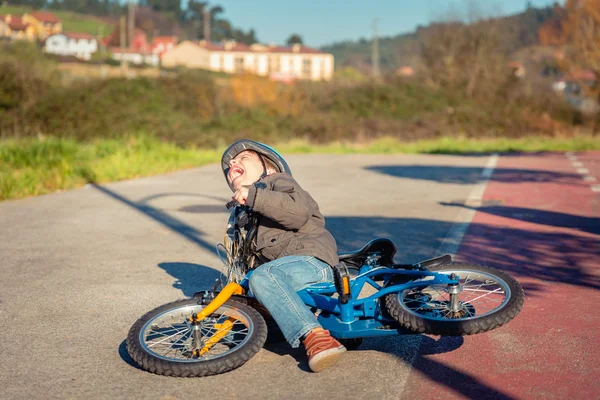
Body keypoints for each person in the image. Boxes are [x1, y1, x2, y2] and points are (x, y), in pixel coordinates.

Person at [221, 139, 346, 372]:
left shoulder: (278, 182)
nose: (232, 163)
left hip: (311, 261)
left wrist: (254, 196)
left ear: (269, 168)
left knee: (262, 277)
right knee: (247, 317)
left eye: (244, 158)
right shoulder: (246, 215)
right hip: (281, 275)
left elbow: (296, 213)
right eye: (229, 167)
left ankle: (316, 336)